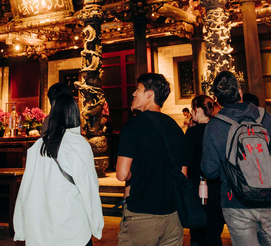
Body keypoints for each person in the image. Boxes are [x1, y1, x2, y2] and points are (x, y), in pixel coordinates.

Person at [201, 71, 271, 246]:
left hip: (235, 201)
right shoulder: (263, 116)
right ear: (240, 92)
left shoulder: (214, 126)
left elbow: (210, 171)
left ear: (216, 99)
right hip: (270, 201)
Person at [13, 93, 103, 246]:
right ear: (75, 115)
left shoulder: (37, 146)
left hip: (40, 227)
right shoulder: (78, 144)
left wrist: (21, 227)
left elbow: (25, 189)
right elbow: (88, 187)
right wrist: (96, 225)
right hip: (71, 227)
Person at [116, 72, 187, 246]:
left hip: (142, 215)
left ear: (150, 94)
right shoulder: (176, 128)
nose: (133, 94)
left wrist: (139, 171)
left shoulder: (133, 126)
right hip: (173, 217)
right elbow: (183, 174)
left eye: (138, 89)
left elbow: (122, 174)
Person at [185, 95, 224, 246]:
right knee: (214, 231)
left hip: (197, 186)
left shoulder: (192, 133)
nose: (192, 112)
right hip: (216, 186)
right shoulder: (217, 130)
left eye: (193, 108)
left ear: (199, 109)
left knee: (198, 232)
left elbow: (186, 161)